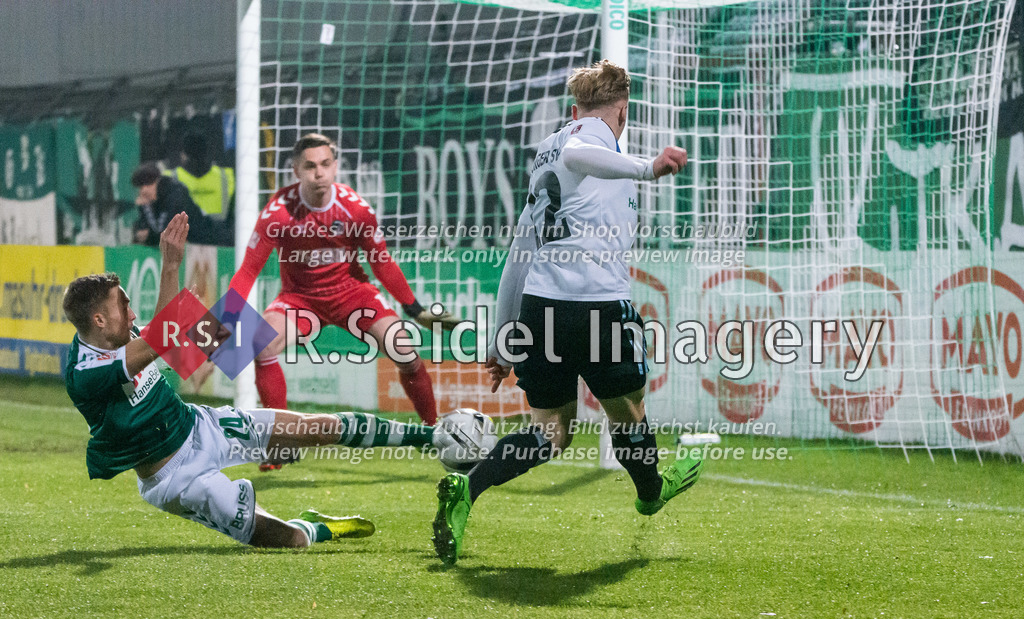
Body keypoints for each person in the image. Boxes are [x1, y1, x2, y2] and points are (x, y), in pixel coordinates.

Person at [431, 60, 703, 565]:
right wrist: (649, 167)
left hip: (539, 309)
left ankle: (468, 489)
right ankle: (651, 493)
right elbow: (584, 153)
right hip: (597, 306)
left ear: (573, 108)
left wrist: (501, 341)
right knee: (629, 412)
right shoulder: (591, 143)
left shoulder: (545, 154)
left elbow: (519, 251)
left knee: (550, 432)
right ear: (622, 110)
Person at [63, 212, 450, 549]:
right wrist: (170, 266)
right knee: (287, 541)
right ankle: (315, 527)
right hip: (177, 477)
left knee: (318, 426)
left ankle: (432, 436)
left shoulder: (127, 337)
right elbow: (162, 339)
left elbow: (169, 338)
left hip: (203, 425)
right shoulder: (87, 373)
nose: (132, 314)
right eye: (124, 305)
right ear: (98, 320)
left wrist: (218, 336)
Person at [228, 134, 458, 469]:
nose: (318, 173)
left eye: (325, 164)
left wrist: (414, 308)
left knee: (404, 350)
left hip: (352, 294)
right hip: (300, 299)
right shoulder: (278, 214)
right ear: (295, 170)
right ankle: (279, 444)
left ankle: (431, 431)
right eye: (310, 166)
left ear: (335, 167)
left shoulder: (356, 210)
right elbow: (249, 269)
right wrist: (228, 315)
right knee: (262, 344)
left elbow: (382, 263)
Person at [168, 131, 235, 246]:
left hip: (187, 241)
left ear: (183, 154)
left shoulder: (172, 177)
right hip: (222, 240)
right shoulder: (227, 176)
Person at [131, 163, 216, 246]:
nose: (143, 191)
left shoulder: (176, 195)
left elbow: (170, 234)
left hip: (206, 244)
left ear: (157, 181)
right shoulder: (151, 202)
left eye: (147, 184)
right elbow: (143, 231)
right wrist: (144, 208)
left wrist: (149, 236)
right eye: (140, 187)